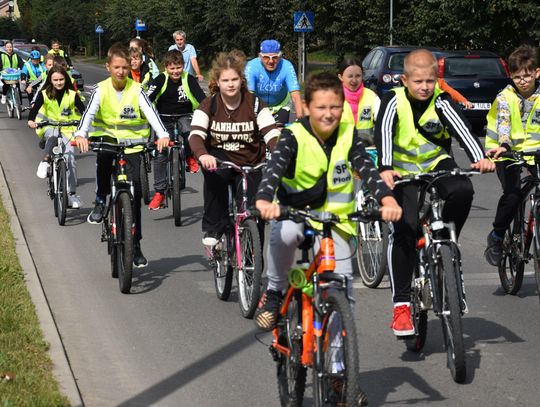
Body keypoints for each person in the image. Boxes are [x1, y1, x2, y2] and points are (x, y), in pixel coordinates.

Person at [253, 72, 402, 331]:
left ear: (342, 107)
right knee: (285, 235)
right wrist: (264, 201)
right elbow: (274, 169)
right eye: (321, 107)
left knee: (341, 287)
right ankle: (275, 291)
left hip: (337, 220)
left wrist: (388, 200)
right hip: (294, 212)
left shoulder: (348, 135)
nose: (329, 114)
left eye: (335, 107)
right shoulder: (294, 135)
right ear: (307, 107)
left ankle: (336, 354)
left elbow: (367, 170)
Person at [374, 49, 494, 336]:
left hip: (435, 163)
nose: (424, 87)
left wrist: (479, 157)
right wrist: (386, 167)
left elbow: (462, 129)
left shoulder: (442, 101)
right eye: (418, 81)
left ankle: (446, 244)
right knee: (404, 228)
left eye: (430, 81)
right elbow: (384, 132)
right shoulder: (393, 100)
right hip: (401, 170)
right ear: (405, 80)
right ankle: (402, 306)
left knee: (462, 189)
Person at [74, 44, 170, 268]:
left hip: (133, 145)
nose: (121, 71)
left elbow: (151, 113)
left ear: (130, 68)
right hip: (107, 139)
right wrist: (80, 134)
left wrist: (163, 134)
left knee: (135, 195)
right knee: (104, 160)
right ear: (108, 67)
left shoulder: (137, 90)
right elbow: (88, 114)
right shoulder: (100, 89)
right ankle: (101, 200)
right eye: (116, 67)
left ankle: (135, 245)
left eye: (125, 67)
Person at [189, 50, 279, 246]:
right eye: (225, 80)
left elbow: (271, 133)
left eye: (234, 79)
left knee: (256, 210)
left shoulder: (255, 104)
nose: (230, 84)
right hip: (220, 160)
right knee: (215, 178)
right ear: (217, 82)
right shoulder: (209, 105)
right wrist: (202, 154)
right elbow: (195, 134)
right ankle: (214, 227)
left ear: (241, 80)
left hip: (251, 162)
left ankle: (254, 255)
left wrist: (280, 154)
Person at [484, 45, 540, 265]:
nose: (522, 81)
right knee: (513, 195)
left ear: (537, 73)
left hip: (535, 152)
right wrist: (505, 145)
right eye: (517, 77)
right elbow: (504, 123)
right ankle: (497, 236)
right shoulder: (505, 98)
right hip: (507, 153)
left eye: (527, 76)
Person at [146, 50, 206, 210]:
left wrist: (209, 110)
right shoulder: (160, 79)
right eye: (172, 68)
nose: (175, 71)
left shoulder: (189, 79)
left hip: (184, 115)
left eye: (178, 67)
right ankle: (159, 192)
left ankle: (189, 157)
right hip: (163, 119)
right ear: (166, 68)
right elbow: (147, 99)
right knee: (161, 153)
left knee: (190, 132)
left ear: (183, 66)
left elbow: (201, 97)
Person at [27, 65, 85, 208]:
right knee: (53, 135)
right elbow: (34, 110)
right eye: (55, 80)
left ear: (66, 79)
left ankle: (71, 195)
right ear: (50, 80)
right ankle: (45, 161)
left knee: (70, 159)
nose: (59, 82)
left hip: (67, 129)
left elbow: (84, 111)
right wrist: (31, 121)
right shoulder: (44, 94)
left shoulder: (72, 94)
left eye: (61, 79)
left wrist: (84, 123)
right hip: (49, 126)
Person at [245, 39, 303, 126]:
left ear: (280, 57)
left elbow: (295, 95)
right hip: (258, 106)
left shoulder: (287, 66)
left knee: (279, 131)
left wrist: (301, 120)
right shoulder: (252, 66)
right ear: (260, 57)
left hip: (281, 105)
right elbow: (249, 95)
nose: (271, 61)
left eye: (275, 57)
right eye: (266, 57)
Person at [338, 56, 380, 145]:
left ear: (362, 76)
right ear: (340, 77)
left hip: (367, 149)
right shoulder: (333, 97)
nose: (354, 80)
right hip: (341, 149)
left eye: (358, 76)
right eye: (350, 76)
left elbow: (383, 123)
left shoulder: (372, 97)